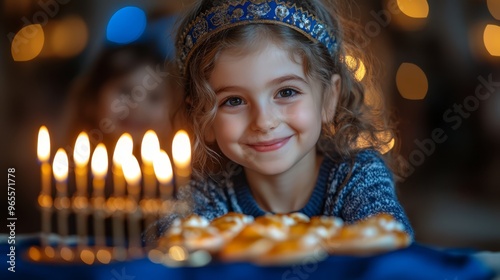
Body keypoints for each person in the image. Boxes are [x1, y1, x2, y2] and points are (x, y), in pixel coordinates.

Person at [151, 0, 413, 240]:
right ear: (202, 117)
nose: (264, 122)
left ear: (328, 99)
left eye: (286, 92)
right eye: (234, 101)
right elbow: (166, 257)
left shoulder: (358, 177)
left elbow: (391, 258)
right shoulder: (201, 196)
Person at [61, 43, 181, 156]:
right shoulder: (70, 170)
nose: (137, 107)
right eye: (125, 91)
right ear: (92, 99)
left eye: (154, 97)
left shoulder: (185, 175)